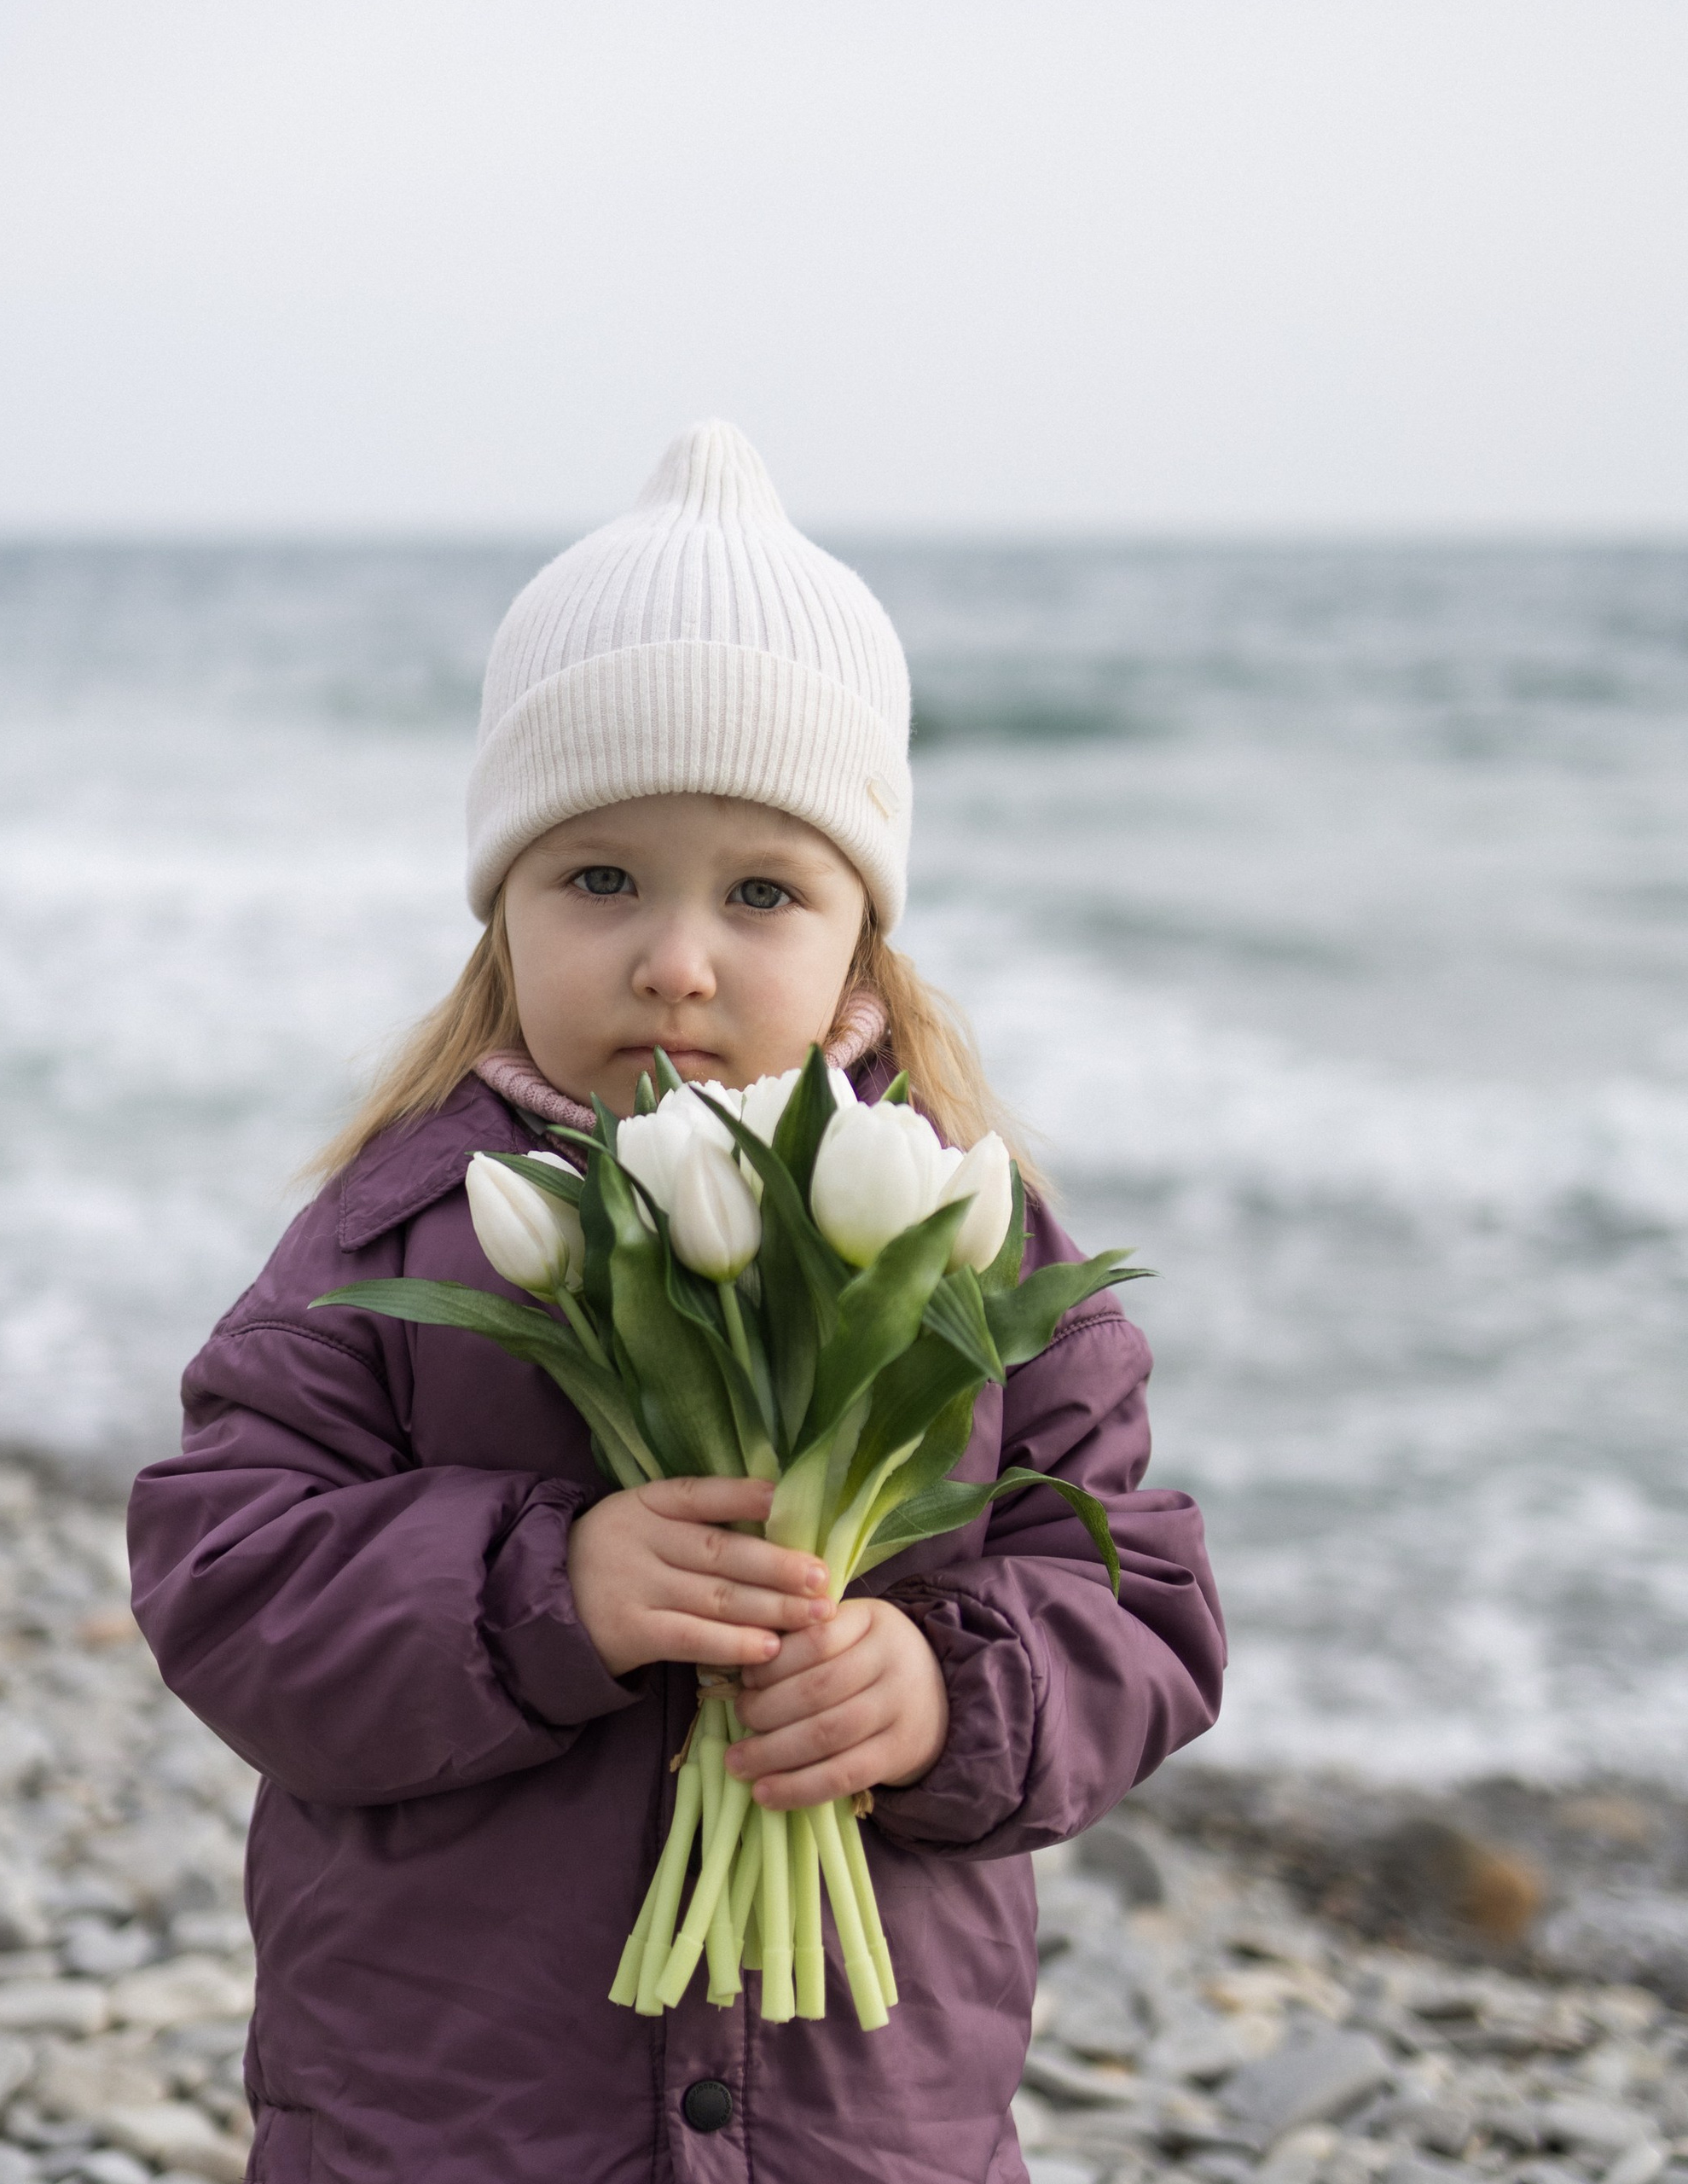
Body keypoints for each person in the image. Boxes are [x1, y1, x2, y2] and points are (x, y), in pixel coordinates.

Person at [127, 422, 1224, 2184]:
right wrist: (541, 1584)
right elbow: (222, 1568)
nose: (676, 956)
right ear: (500, 911)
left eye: (762, 890)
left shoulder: (959, 1230)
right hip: (451, 2113)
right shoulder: (411, 1228)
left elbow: (1142, 1598)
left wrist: (944, 1695)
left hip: (861, 2121)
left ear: (862, 934)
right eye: (599, 877)